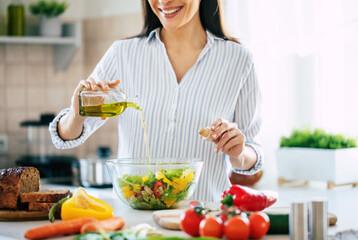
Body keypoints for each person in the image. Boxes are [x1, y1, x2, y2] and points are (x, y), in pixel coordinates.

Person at [49, 0, 263, 202]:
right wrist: (76, 116)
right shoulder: (123, 54)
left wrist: (239, 151)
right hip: (136, 225)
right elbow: (66, 136)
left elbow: (252, 155)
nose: (163, 1)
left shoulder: (238, 59)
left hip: (202, 221)